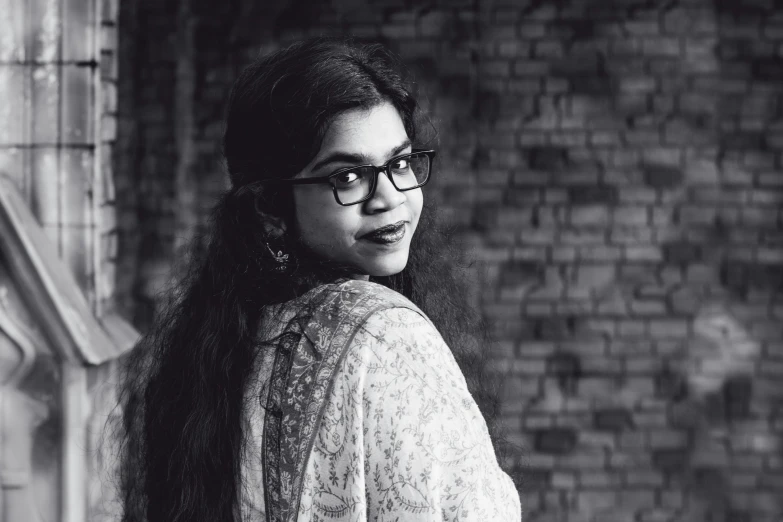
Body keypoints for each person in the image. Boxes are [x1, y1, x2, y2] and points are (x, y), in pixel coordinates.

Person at [116, 37, 521, 522]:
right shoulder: (387, 337)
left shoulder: (231, 340)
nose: (389, 196)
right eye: (347, 176)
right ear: (270, 207)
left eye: (399, 162)